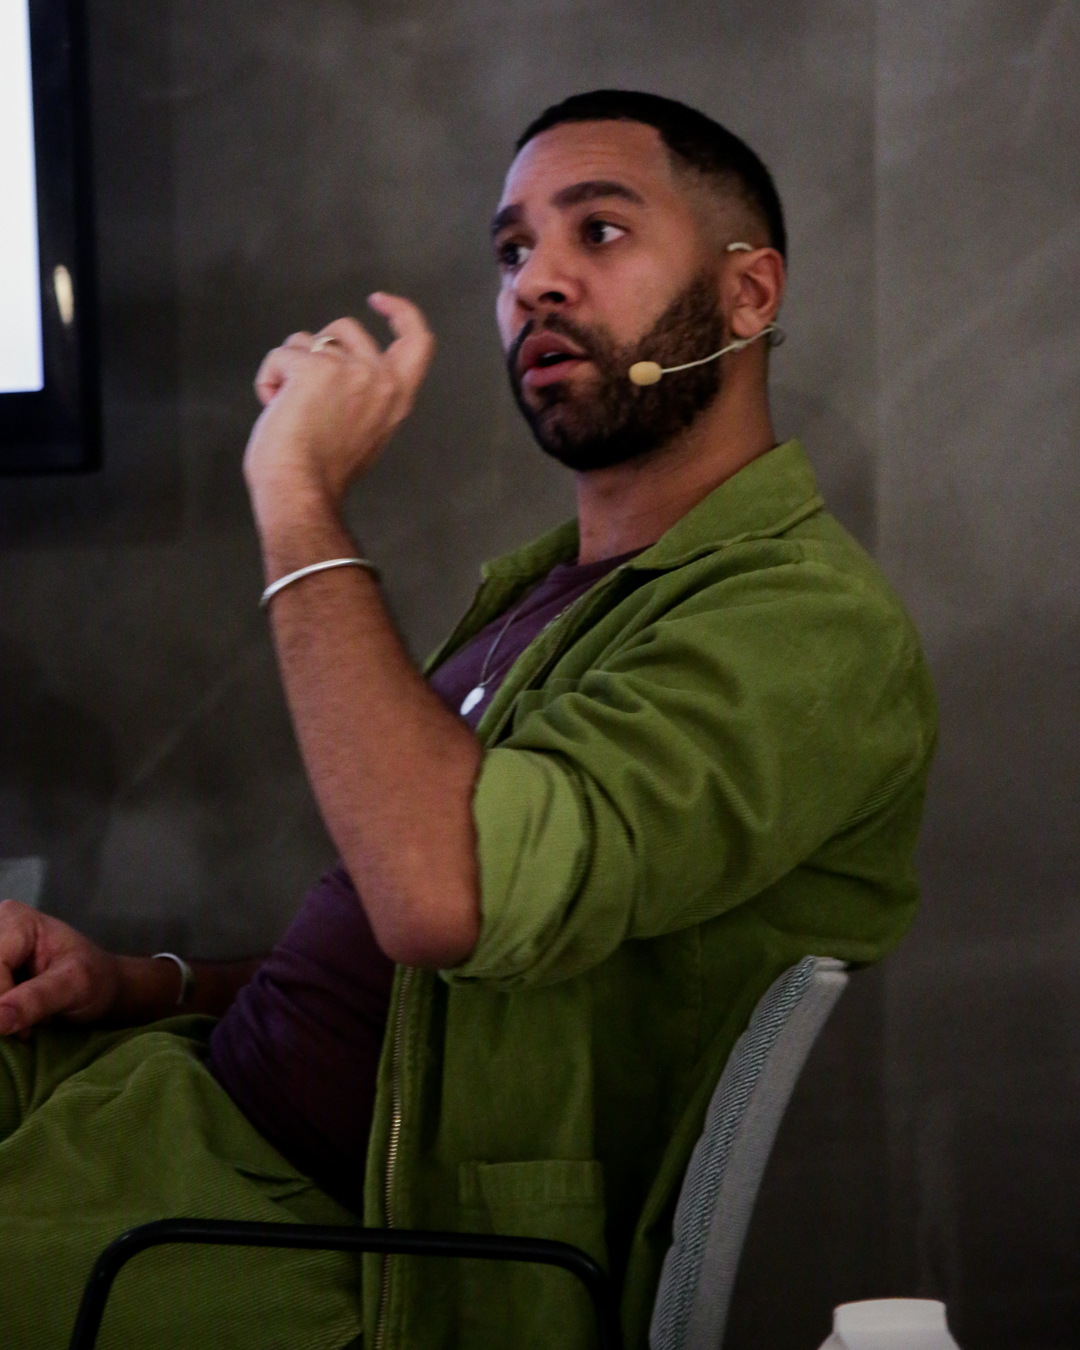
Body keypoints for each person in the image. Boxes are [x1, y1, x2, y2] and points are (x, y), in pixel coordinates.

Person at [0, 90, 936, 1350]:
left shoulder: (806, 630)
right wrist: (136, 982)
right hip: (150, 1086)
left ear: (748, 293)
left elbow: (448, 901)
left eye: (598, 231)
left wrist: (296, 495)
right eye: (510, 249)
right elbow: (407, 993)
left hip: (298, 1244)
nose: (535, 281)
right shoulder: (550, 594)